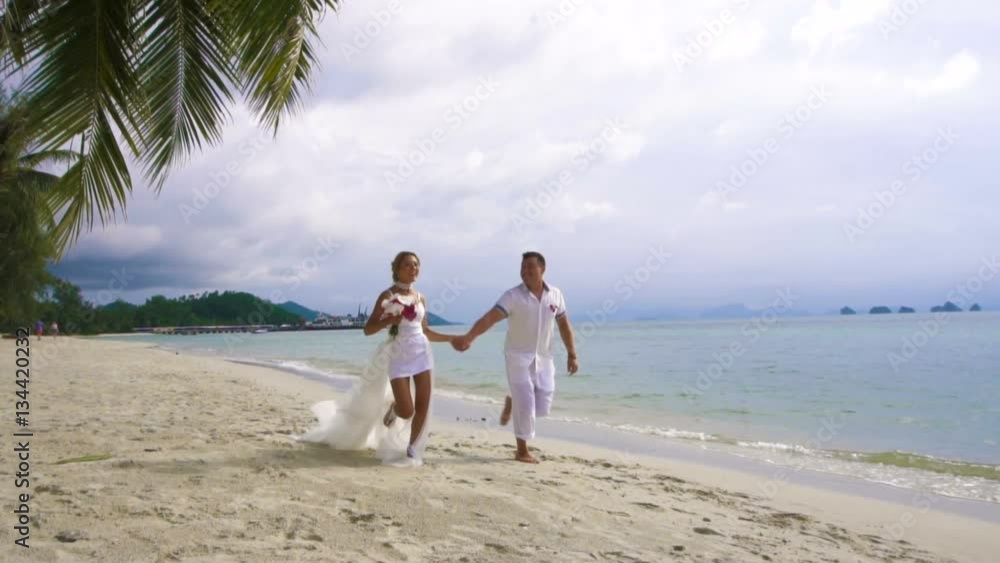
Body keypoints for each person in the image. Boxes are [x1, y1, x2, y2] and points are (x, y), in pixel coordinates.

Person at [296, 251, 460, 467]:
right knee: (407, 410)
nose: (413, 269)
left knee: (423, 405)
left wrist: (452, 339)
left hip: (422, 352)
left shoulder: (421, 298)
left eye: (416, 265)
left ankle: (412, 450)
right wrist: (389, 320)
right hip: (398, 354)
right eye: (408, 265)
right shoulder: (387, 295)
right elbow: (368, 329)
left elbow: (426, 331)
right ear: (397, 269)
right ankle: (394, 408)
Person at [454, 251, 579, 463]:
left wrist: (572, 354)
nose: (525, 271)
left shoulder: (555, 294)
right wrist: (470, 337)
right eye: (523, 267)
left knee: (543, 404)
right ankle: (521, 450)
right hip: (517, 357)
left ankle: (512, 402)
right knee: (526, 404)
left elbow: (564, 326)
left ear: (542, 269)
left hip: (544, 357)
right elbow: (489, 318)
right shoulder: (512, 296)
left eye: (530, 267)